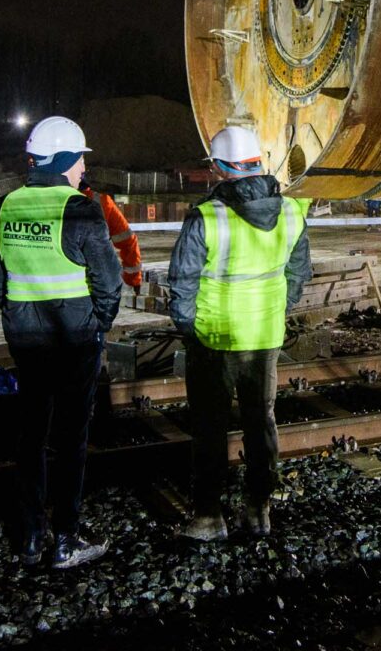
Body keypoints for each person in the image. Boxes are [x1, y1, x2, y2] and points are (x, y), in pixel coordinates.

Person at [0, 115, 122, 568]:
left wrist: (16, 311)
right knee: (71, 439)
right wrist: (98, 323)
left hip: (26, 337)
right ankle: (65, 540)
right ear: (63, 160)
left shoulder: (2, 206)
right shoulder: (80, 208)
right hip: (75, 338)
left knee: (31, 436)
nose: (83, 166)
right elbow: (108, 279)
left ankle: (28, 539)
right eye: (79, 158)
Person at [167, 126, 310, 541]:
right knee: (260, 422)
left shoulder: (207, 216)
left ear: (218, 168)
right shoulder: (291, 213)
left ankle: (209, 516)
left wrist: (189, 328)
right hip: (265, 337)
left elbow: (182, 284)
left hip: (214, 338)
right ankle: (258, 509)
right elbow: (299, 276)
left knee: (210, 428)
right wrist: (275, 312)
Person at [78, 184, 143, 293]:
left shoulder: (44, 197)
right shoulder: (101, 201)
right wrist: (134, 280)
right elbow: (128, 241)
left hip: (52, 284)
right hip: (96, 282)